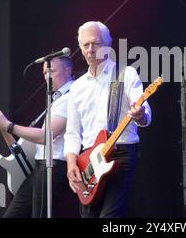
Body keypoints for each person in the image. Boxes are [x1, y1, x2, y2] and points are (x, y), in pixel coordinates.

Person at [64, 21, 152, 218]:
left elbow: (145, 113)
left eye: (95, 43)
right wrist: (71, 164)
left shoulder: (125, 73)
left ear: (108, 44)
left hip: (120, 152)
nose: (90, 49)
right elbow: (72, 132)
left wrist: (140, 115)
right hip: (88, 160)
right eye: (85, 45)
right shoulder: (77, 86)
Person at [0, 55, 78, 218]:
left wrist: (8, 126)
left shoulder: (71, 96)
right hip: (41, 167)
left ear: (68, 70)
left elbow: (46, 137)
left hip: (54, 167)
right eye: (44, 73)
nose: (47, 76)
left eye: (52, 71)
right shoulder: (58, 97)